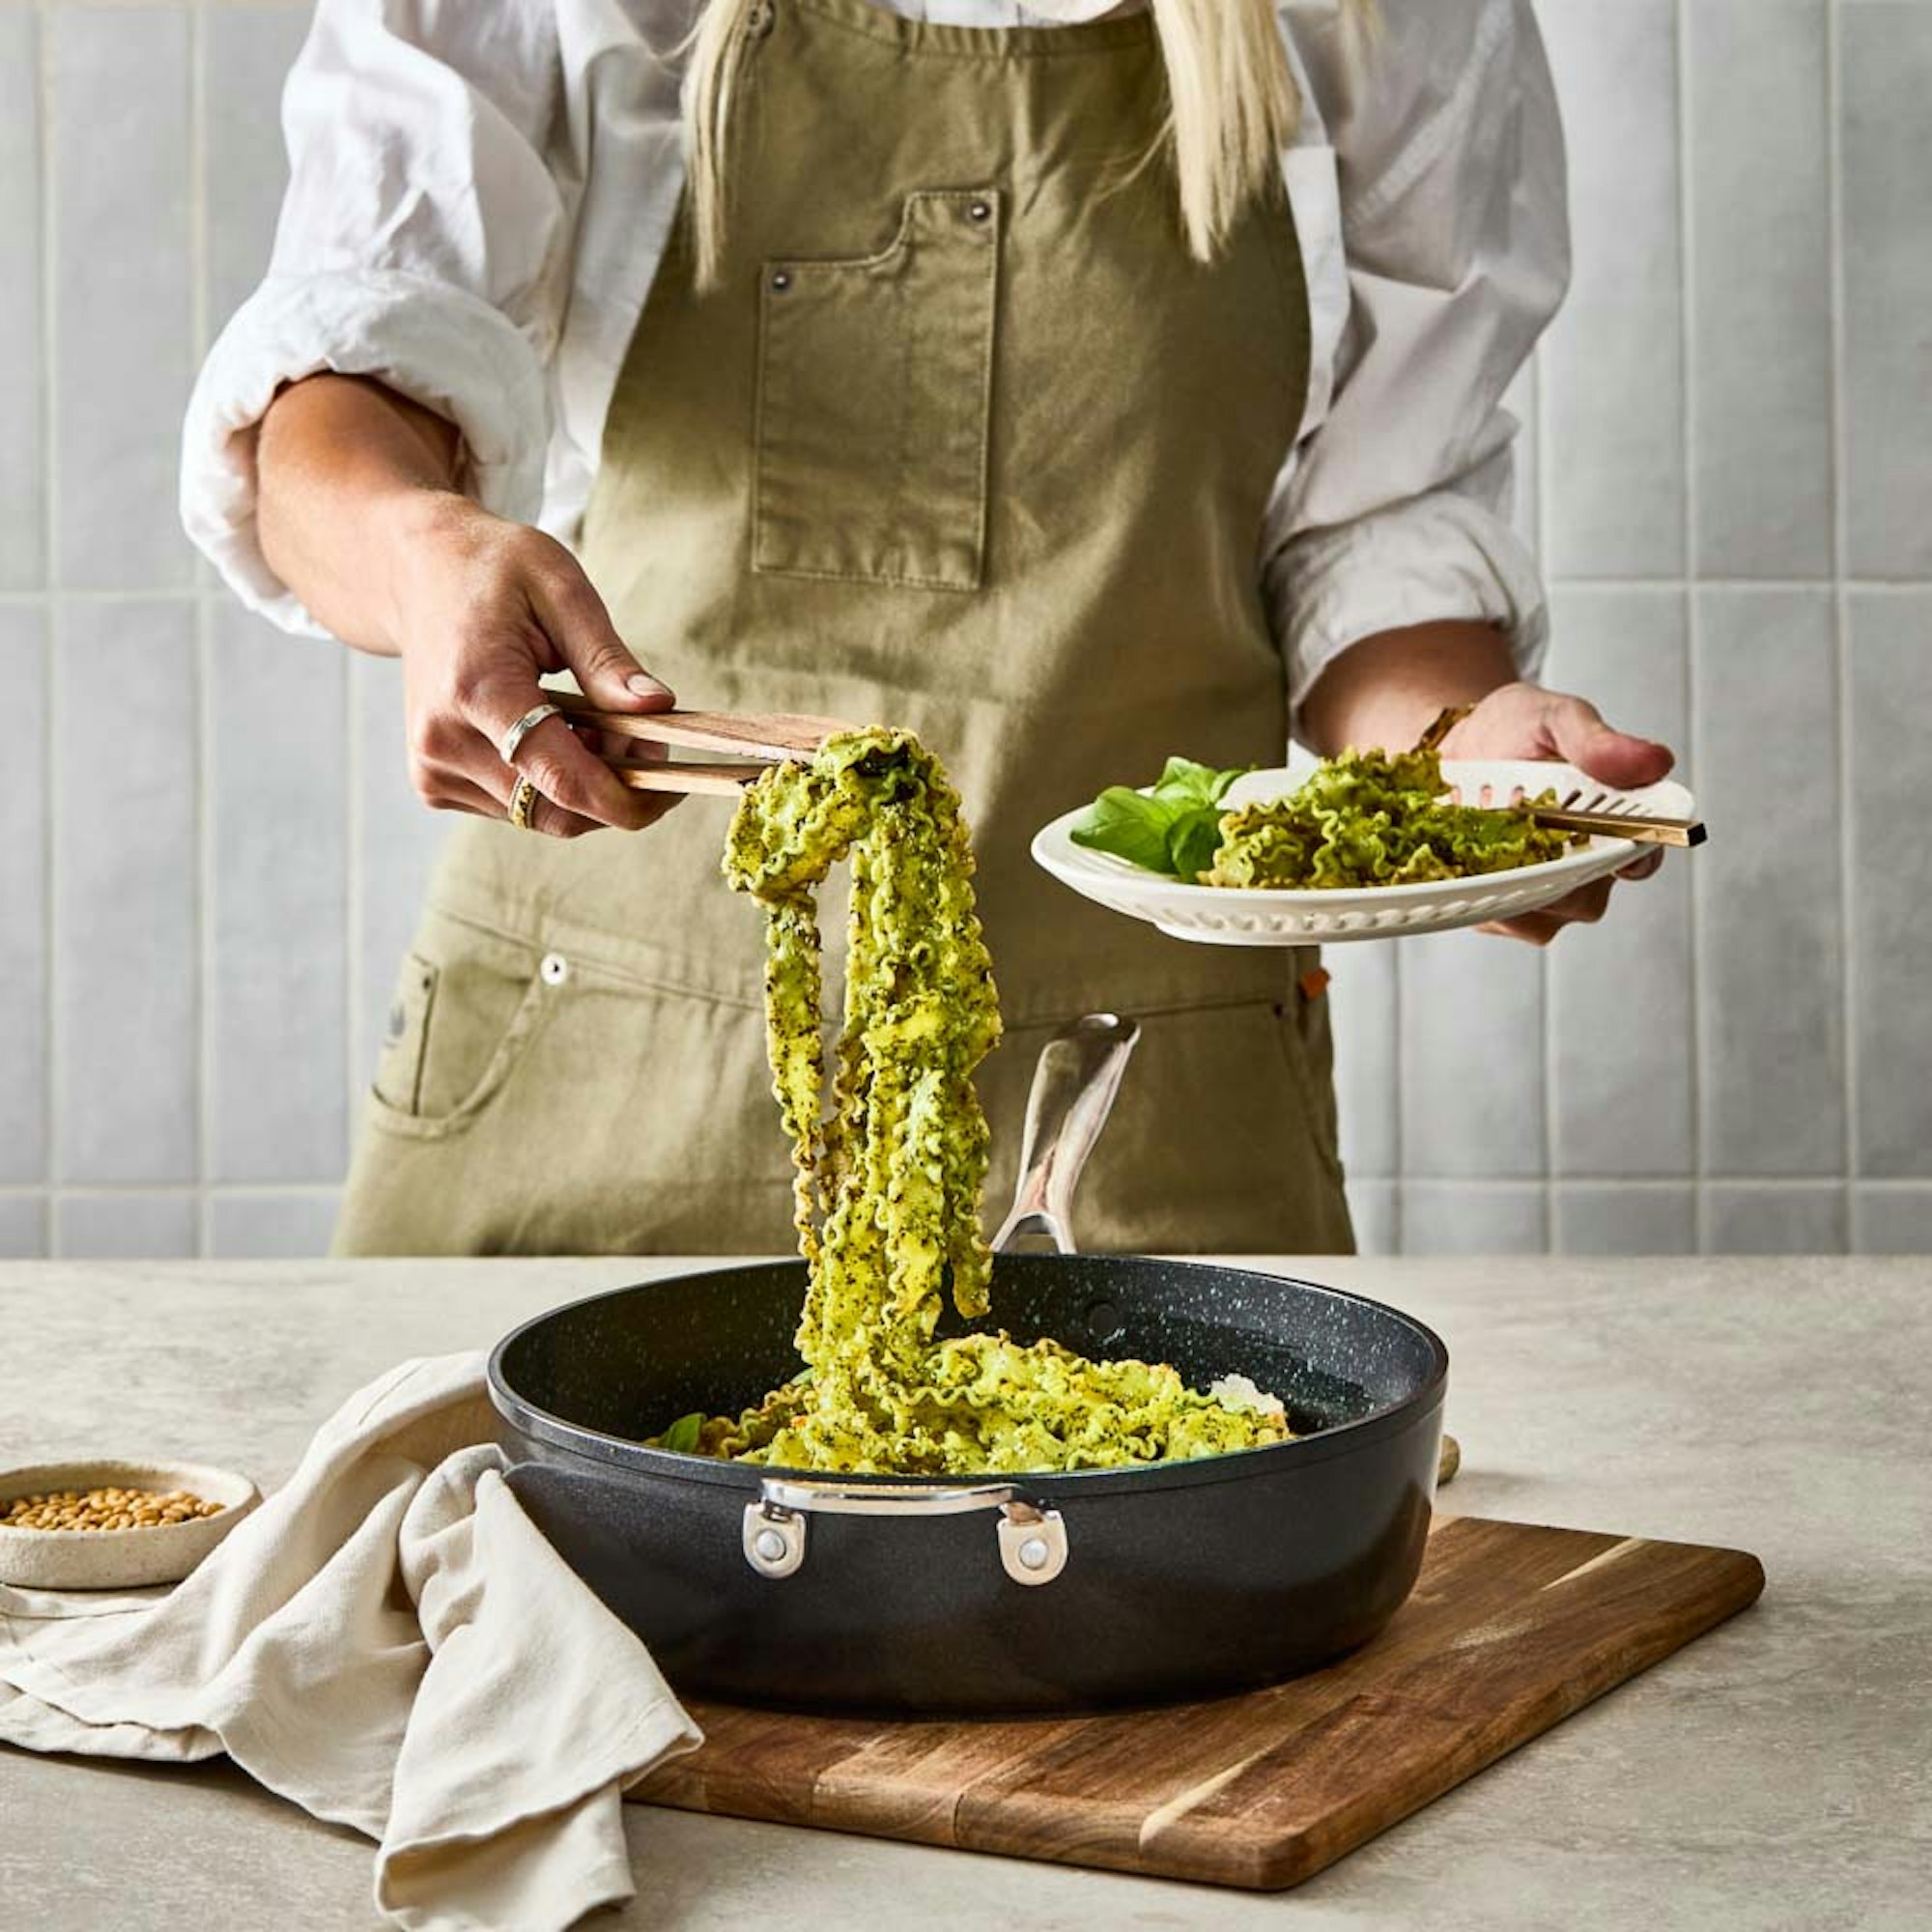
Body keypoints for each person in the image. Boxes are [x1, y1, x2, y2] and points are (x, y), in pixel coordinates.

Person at [182, 0, 1672, 1258]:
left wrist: (1453, 764)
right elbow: (343, 372)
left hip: (1143, 1116)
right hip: (590, 1074)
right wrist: (418, 548)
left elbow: (1373, 518)